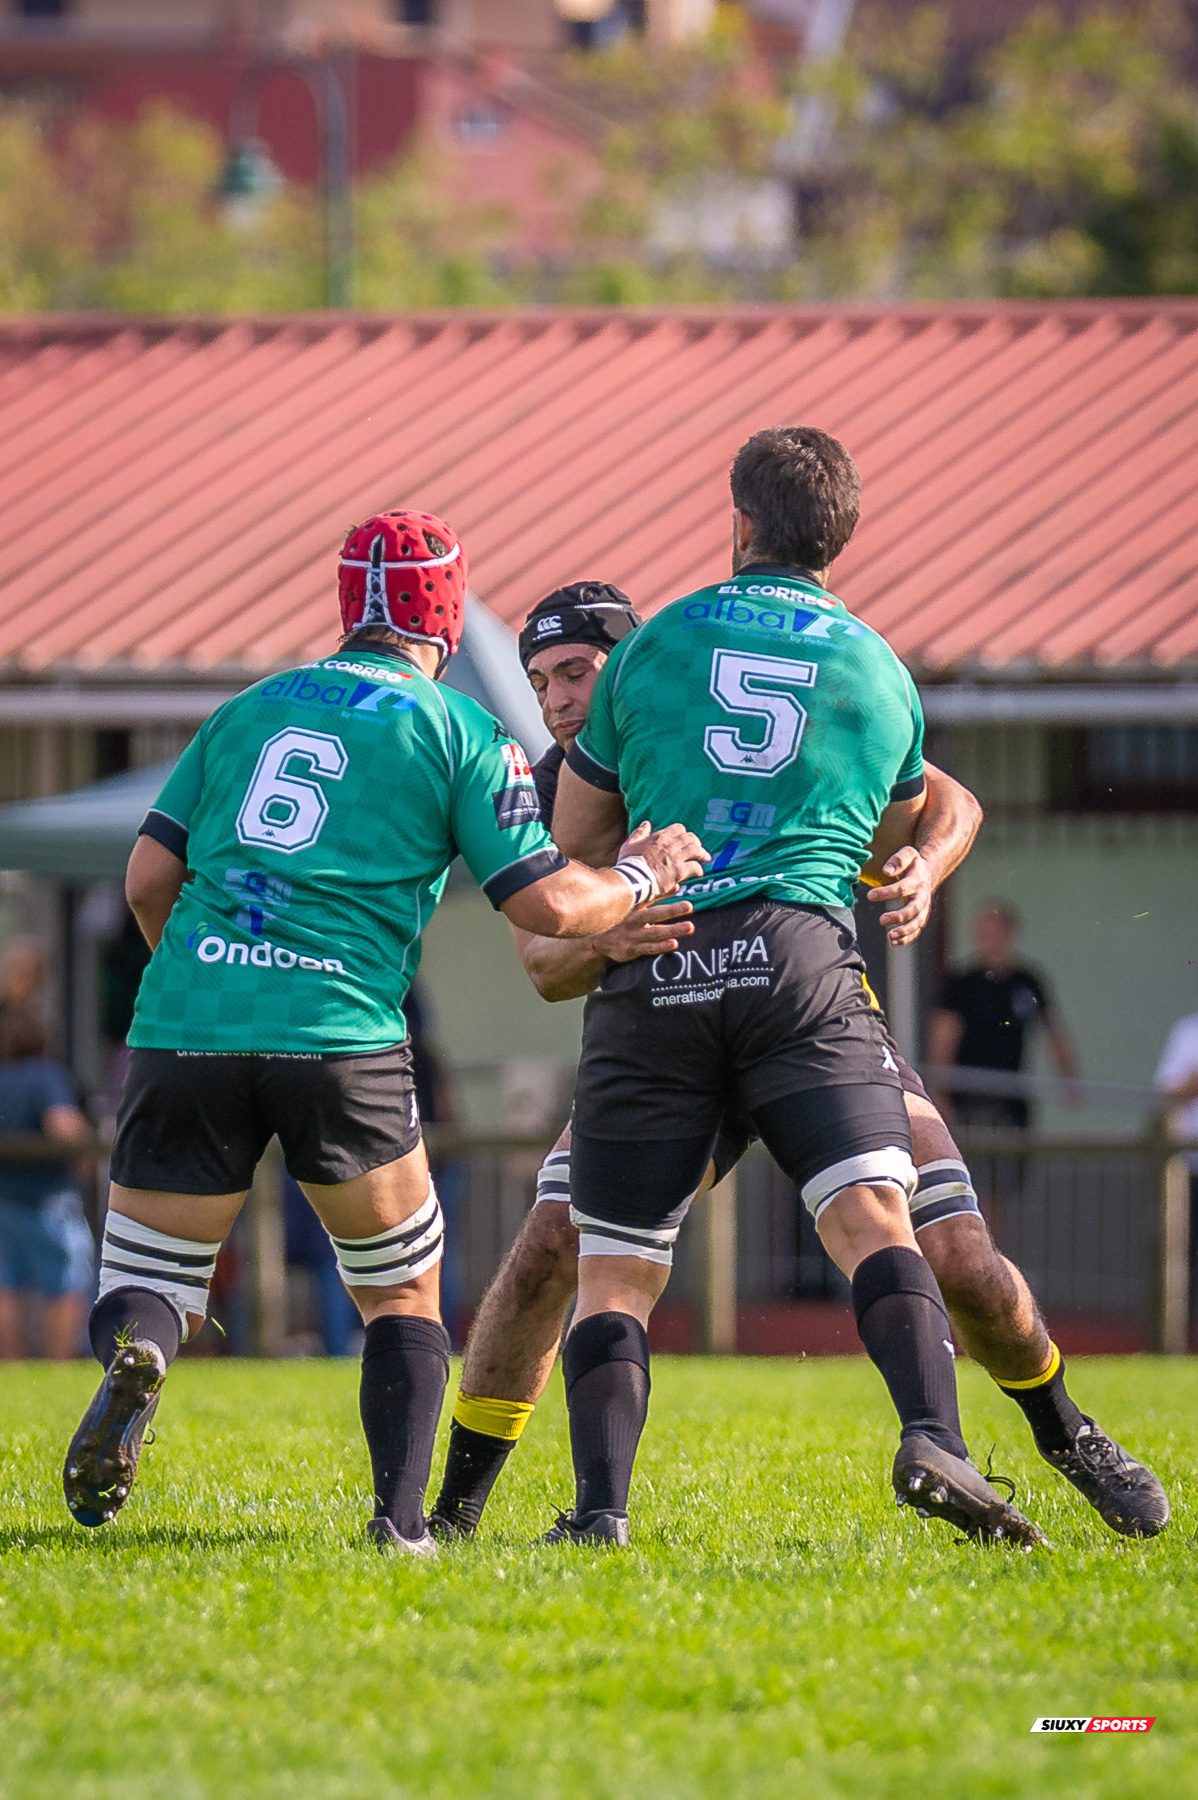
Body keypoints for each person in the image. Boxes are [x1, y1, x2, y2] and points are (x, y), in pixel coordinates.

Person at [430, 581, 1167, 1544]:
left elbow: (950, 800)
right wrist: (606, 936)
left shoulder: (709, 713)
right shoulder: (555, 784)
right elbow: (541, 961)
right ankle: (455, 1512)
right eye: (540, 684)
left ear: (635, 664)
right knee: (550, 1248)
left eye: (575, 672)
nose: (560, 701)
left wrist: (925, 866)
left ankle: (1065, 1430)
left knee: (958, 1253)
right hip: (671, 1026)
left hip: (799, 1005)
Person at [60, 507, 707, 1553]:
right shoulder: (461, 729)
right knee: (400, 1291)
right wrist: (641, 873)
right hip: (341, 1033)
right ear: (444, 614)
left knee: (149, 1279)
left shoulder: (246, 710)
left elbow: (146, 881)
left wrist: (202, 978)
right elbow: (546, 905)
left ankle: (143, 1355)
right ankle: (401, 1526)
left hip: (186, 1023)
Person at [928, 901, 1078, 1128]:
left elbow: (1053, 1032)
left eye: (995, 933)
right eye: (983, 934)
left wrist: (1069, 1080)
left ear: (1010, 934)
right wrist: (940, 1095)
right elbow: (943, 1038)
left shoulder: (1027, 982)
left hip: (1013, 1097)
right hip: (969, 1098)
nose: (989, 940)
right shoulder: (961, 984)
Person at [0, 1006, 95, 1359]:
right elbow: (62, 1125)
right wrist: (86, 1156)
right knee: (66, 1283)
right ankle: (59, 1366)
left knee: (6, 1287)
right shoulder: (45, 1076)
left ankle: (9, 1368)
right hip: (47, 1200)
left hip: (4, 1200)